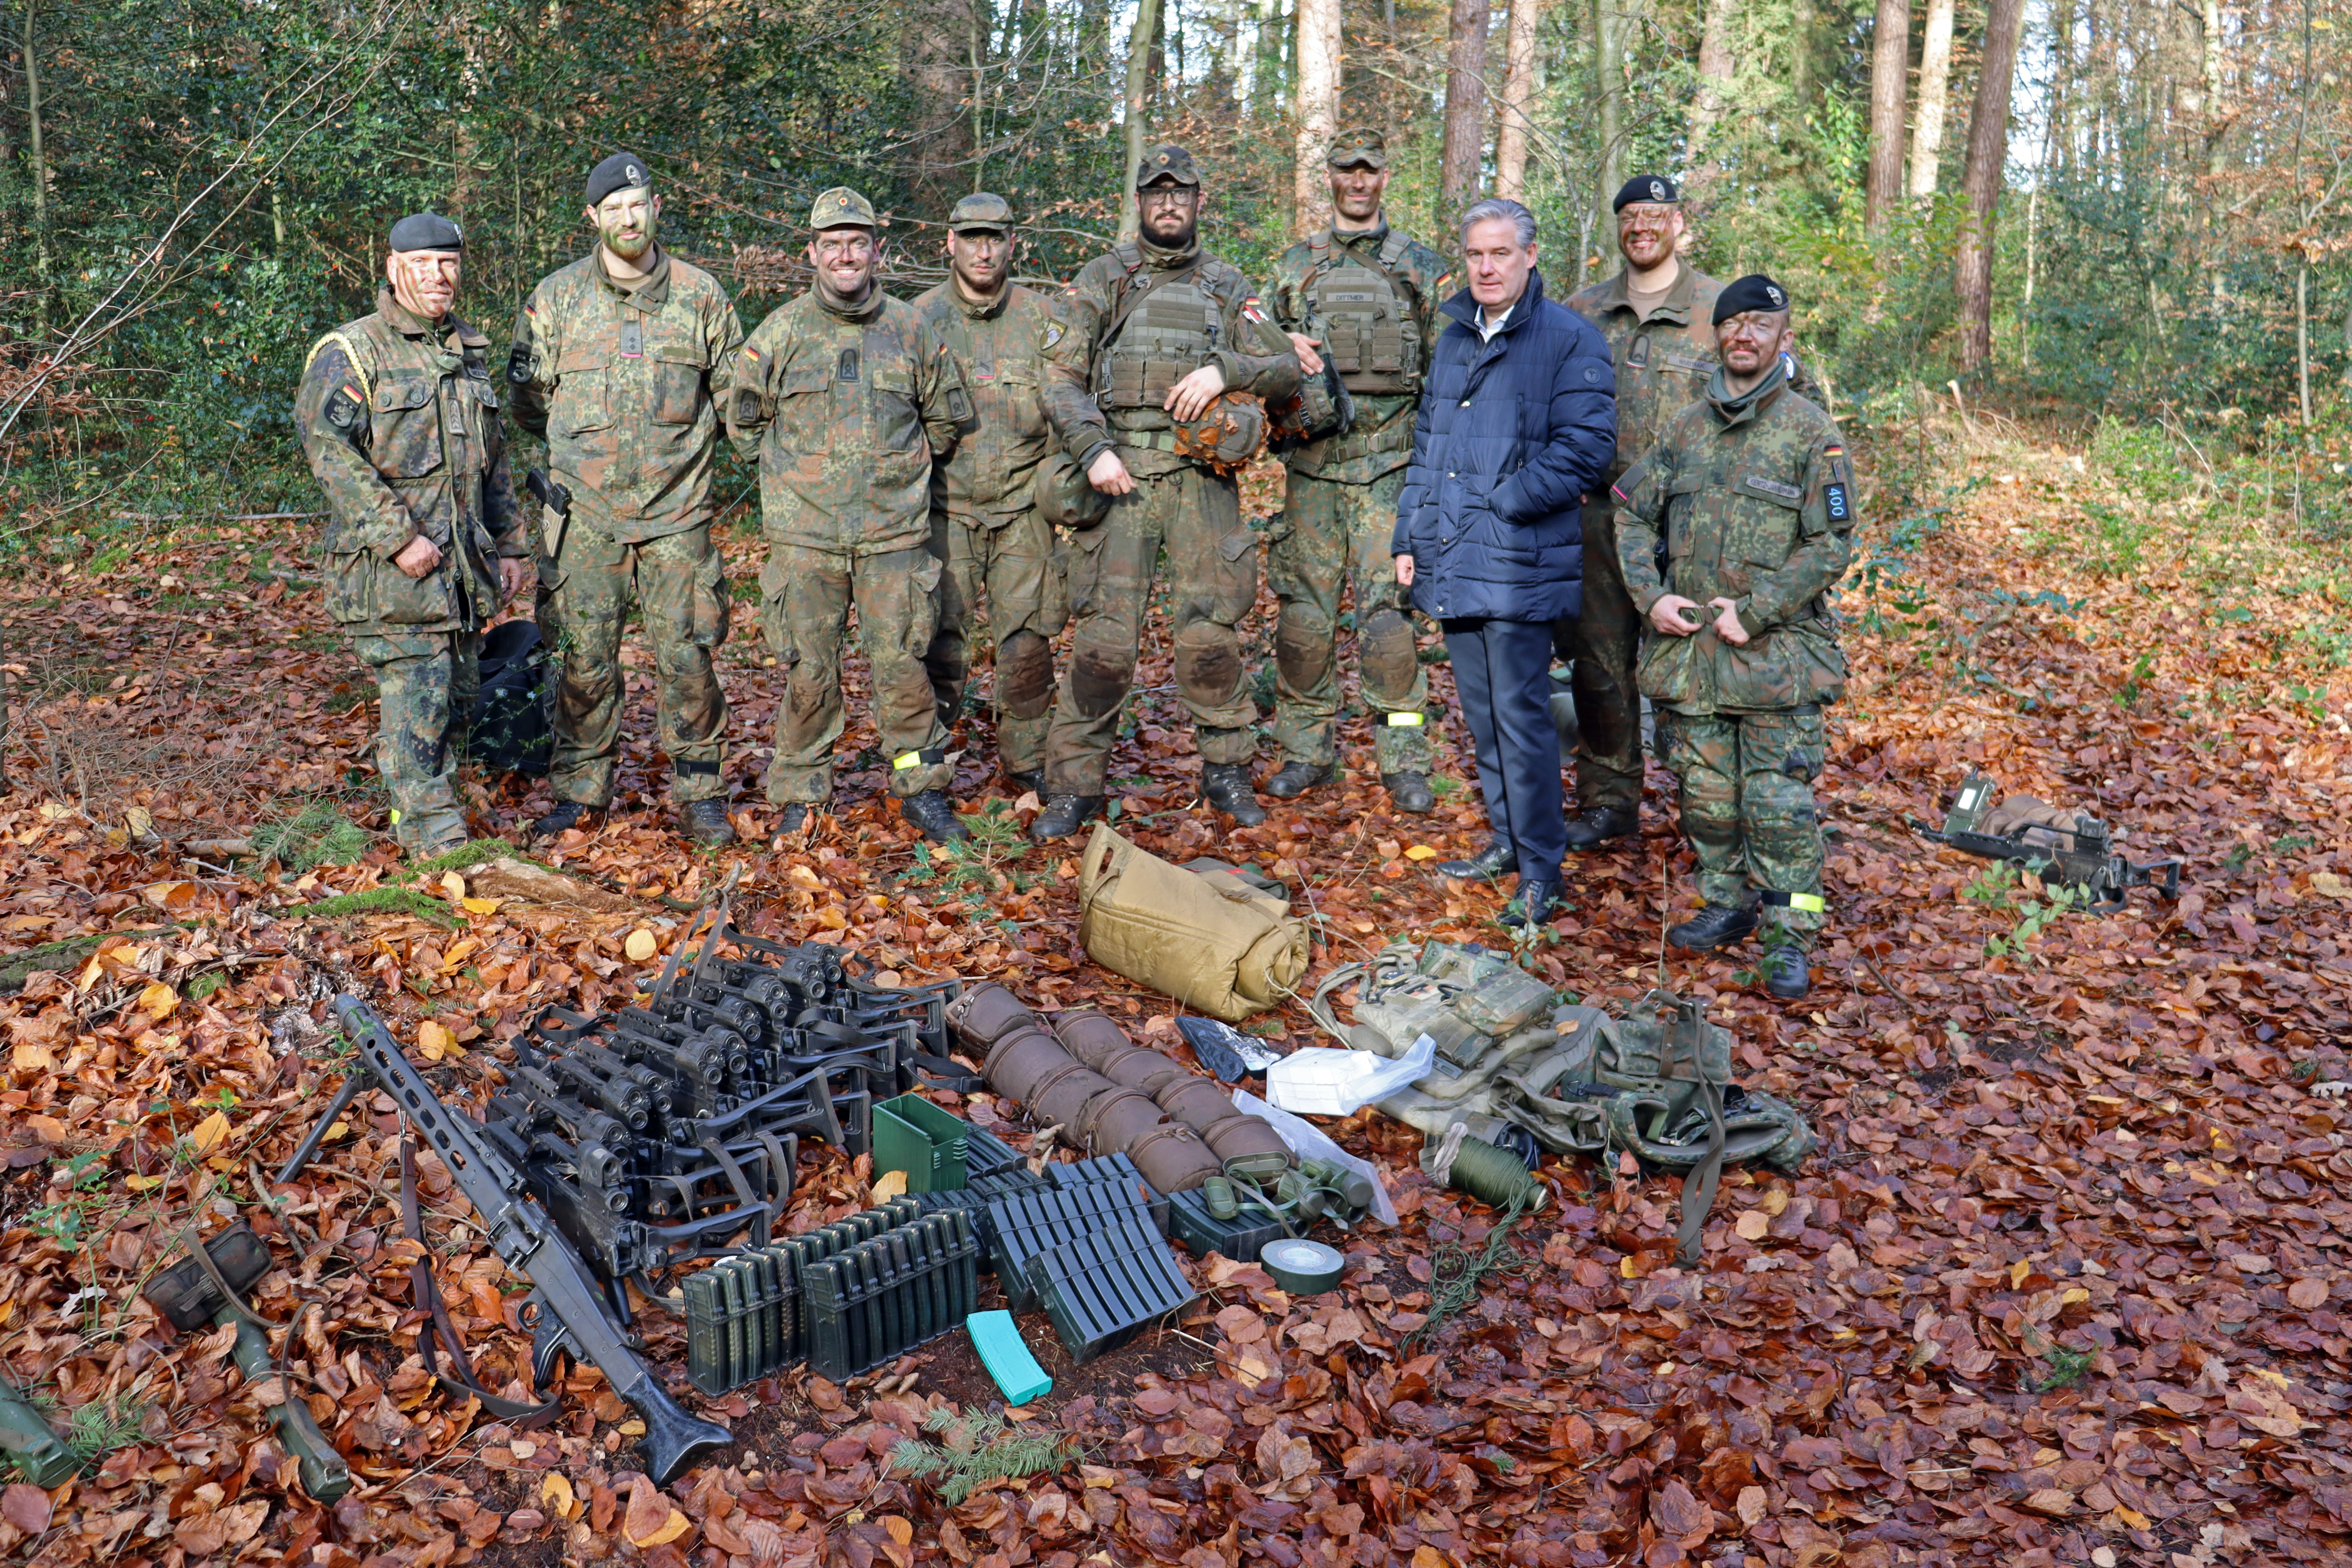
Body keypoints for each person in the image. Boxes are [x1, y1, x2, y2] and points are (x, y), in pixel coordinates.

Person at [1032, 144, 1303, 841]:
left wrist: (1224, 370)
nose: (1169, 203)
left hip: (1202, 486)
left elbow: (1283, 367)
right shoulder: (1104, 279)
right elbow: (1058, 377)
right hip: (1120, 482)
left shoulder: (1225, 282)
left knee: (1210, 638)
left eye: (1181, 191)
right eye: (1157, 192)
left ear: (1198, 201)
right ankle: (1073, 785)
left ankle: (1227, 770)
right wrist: (1092, 450)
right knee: (1103, 645)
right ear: (1141, 203)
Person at [1564, 176, 1827, 852]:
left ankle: (1708, 811)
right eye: (1630, 216)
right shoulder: (1581, 311)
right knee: (1600, 661)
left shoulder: (1723, 309)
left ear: (1680, 223)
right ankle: (1609, 797)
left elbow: (1793, 402)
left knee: (1706, 657)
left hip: (1703, 520)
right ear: (1617, 225)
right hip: (1604, 514)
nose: (1641, 227)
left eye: (1656, 214)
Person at [1612, 275, 1854, 999]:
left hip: (1773, 659)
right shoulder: (1684, 428)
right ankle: (1727, 904)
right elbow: (1628, 512)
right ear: (1717, 334)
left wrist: (1757, 609)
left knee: (1777, 804)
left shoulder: (1811, 432)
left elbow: (1832, 544)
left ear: (1784, 338)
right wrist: (1650, 597)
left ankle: (1789, 933)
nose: (1745, 335)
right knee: (1707, 798)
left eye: (1761, 324)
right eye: (1733, 323)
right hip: (1693, 660)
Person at [508, 154, 745, 846]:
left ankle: (702, 795)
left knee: (689, 657)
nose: (627, 219)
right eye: (612, 209)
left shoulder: (702, 297)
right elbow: (530, 404)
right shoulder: (554, 300)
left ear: (656, 207)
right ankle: (582, 793)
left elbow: (737, 402)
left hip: (678, 517)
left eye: (636, 205)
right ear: (593, 218)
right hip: (585, 520)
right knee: (583, 659)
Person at [1392, 197, 1615, 928]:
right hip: (1453, 557)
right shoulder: (1456, 338)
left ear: (1530, 256)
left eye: (1500, 254)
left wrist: (1505, 500)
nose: (1486, 268)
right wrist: (1409, 536)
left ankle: (1543, 871)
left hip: (1518, 561)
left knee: (1522, 722)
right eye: (1476, 255)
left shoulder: (1568, 339)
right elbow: (1430, 447)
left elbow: (1587, 449)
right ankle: (1507, 843)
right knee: (1484, 718)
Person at [727, 187, 974, 843]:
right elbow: (744, 424)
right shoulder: (778, 333)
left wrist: (892, 477)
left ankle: (921, 787)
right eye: (832, 244)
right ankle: (803, 791)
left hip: (895, 537)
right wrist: (801, 486)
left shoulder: (913, 329)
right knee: (809, 669)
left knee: (902, 666)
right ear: (812, 253)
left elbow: (947, 419)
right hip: (805, 539)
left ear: (877, 252)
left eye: (857, 243)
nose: (845, 255)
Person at [294, 213, 532, 859]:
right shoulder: (353, 351)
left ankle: (438, 817)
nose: (438, 275)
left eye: (448, 263)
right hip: (394, 578)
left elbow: (495, 462)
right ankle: (437, 847)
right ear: (394, 266)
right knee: (418, 711)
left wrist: (509, 545)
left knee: (456, 702)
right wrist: (398, 537)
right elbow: (329, 451)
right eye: (423, 263)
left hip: (459, 577)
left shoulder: (466, 351)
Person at [1260, 129, 1453, 815]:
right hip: (1313, 470)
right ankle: (1305, 751)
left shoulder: (1422, 269)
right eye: (1347, 170)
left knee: (1389, 623)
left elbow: (1445, 372)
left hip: (1391, 471)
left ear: (1386, 176)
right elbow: (1254, 356)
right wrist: (1280, 344)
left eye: (1370, 170)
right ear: (1332, 177)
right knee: (1304, 622)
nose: (1359, 182)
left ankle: (1403, 759)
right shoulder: (1293, 268)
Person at [912, 193, 1071, 796]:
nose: (984, 250)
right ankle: (926, 768)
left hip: (1023, 512)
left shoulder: (1045, 319)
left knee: (1027, 647)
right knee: (936, 647)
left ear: (1013, 244)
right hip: (944, 510)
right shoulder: (917, 318)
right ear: (949, 242)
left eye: (996, 238)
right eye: (972, 237)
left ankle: (1026, 766)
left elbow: (1071, 406)